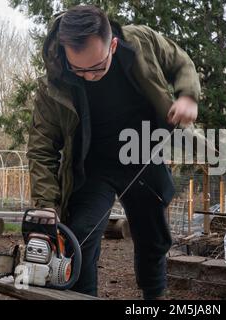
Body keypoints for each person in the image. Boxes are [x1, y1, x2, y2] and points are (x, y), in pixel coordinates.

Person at [26, 5, 200, 299]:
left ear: (113, 46)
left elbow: (181, 63)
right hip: (92, 167)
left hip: (142, 154)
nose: (88, 76)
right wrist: (45, 202)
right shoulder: (53, 85)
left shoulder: (141, 42)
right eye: (78, 69)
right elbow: (42, 146)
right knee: (79, 237)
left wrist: (187, 95)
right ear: (65, 51)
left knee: (153, 237)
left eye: (96, 67)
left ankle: (153, 298)